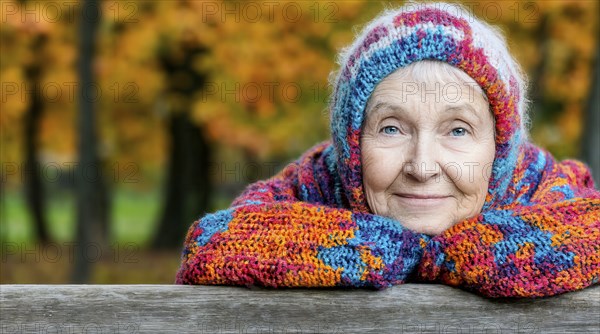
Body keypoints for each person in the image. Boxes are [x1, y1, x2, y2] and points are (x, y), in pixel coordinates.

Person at [176, 3, 599, 297]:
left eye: (457, 130)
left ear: (500, 149)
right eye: (392, 127)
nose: (421, 165)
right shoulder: (315, 187)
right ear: (352, 145)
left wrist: (458, 253)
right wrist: (388, 250)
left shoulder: (550, 193)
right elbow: (214, 244)